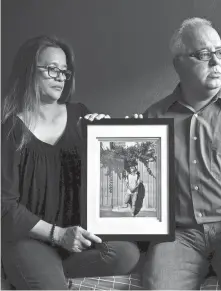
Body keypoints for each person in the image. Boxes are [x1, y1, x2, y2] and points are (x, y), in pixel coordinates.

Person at [1, 35, 140, 290]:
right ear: (29, 70)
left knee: (127, 253)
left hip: (77, 237)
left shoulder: (80, 114)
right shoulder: (11, 130)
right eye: (52, 69)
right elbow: (5, 207)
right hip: (32, 239)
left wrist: (124, 139)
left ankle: (50, 270)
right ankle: (39, 268)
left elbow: (109, 182)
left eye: (64, 71)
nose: (60, 77)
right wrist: (58, 235)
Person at [140, 18, 221, 290]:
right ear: (178, 63)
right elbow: (136, 188)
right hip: (178, 235)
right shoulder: (153, 117)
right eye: (204, 54)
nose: (216, 62)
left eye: (220, 53)